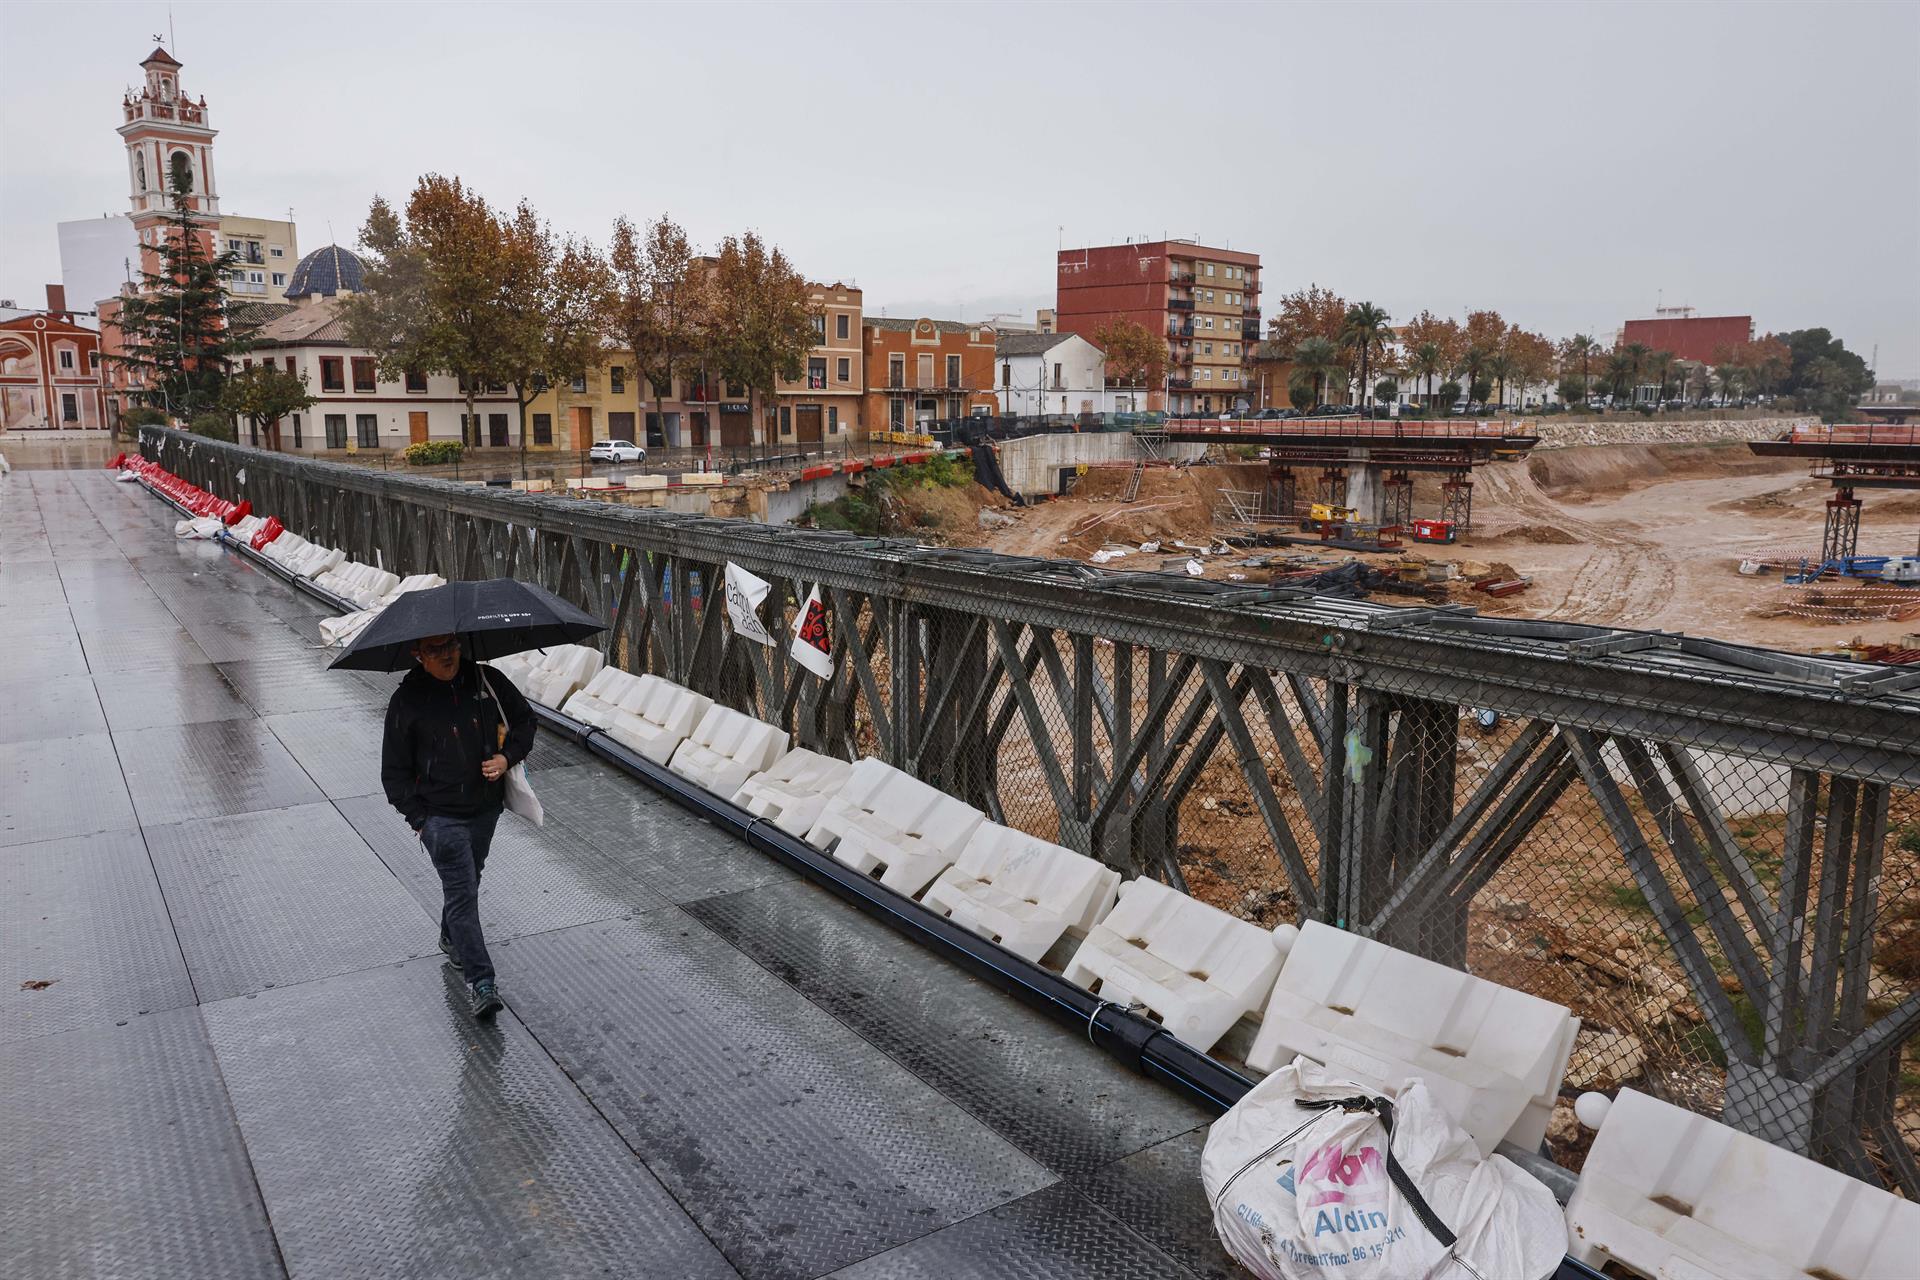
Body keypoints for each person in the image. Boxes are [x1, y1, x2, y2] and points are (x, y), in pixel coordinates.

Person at [380, 633, 535, 1019]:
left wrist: (506, 757)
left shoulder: (486, 681)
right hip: (439, 817)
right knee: (463, 892)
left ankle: (452, 936)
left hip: (485, 809)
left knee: (470, 880)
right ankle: (482, 982)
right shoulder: (407, 701)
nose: (447, 655)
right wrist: (420, 820)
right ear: (418, 654)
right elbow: (394, 773)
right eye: (435, 650)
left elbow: (525, 721)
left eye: (451, 645)